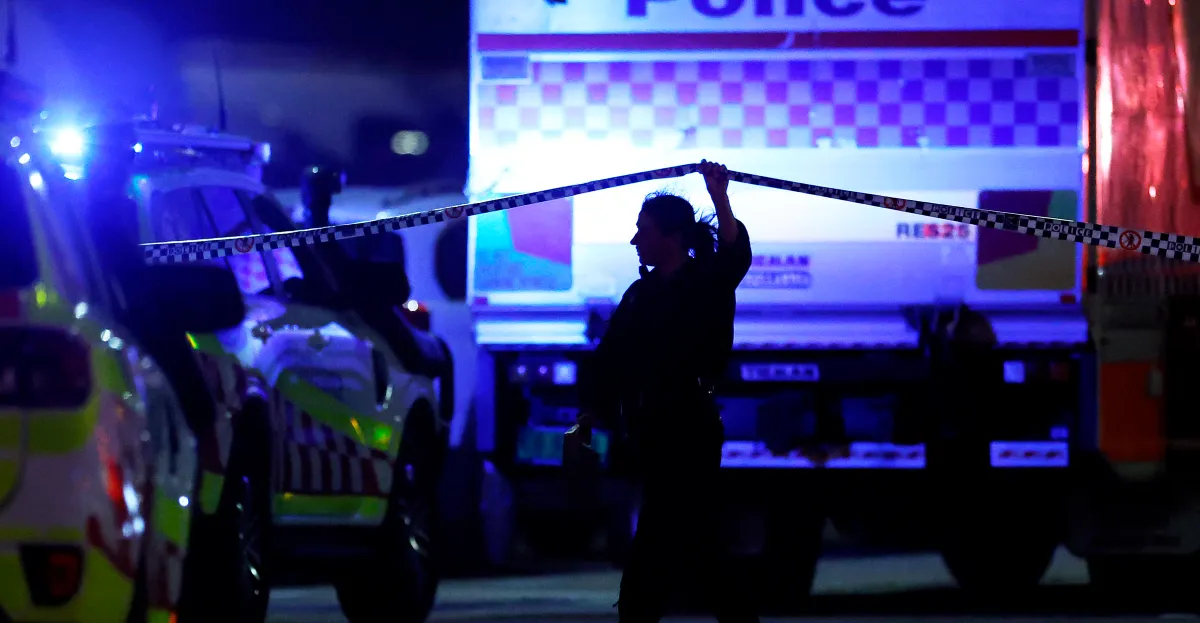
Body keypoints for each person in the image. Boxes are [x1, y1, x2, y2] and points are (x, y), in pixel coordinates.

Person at [565, 160, 756, 623]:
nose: (634, 241)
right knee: (695, 538)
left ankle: (640, 612)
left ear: (671, 237)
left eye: (643, 231)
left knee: (664, 535)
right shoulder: (639, 295)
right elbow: (609, 360)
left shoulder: (707, 282)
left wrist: (719, 195)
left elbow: (734, 254)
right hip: (651, 433)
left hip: (689, 428)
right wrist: (588, 415)